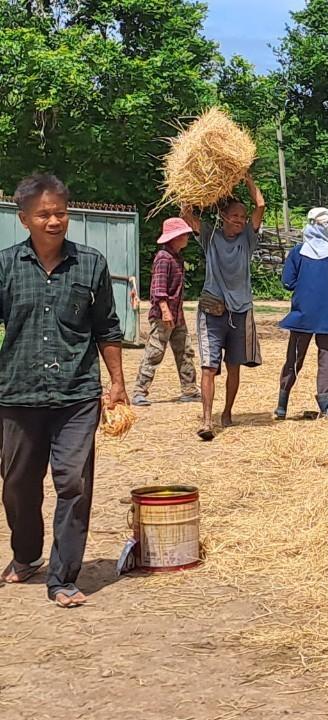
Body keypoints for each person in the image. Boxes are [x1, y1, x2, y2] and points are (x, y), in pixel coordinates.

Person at [0, 174, 127, 608]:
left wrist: (117, 383)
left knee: (73, 482)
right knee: (17, 486)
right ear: (24, 219)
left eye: (60, 212)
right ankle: (25, 554)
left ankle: (63, 578)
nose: (54, 221)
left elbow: (107, 328)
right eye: (44, 214)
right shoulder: (5, 266)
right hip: (17, 395)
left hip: (76, 394)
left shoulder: (91, 264)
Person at [181, 173, 266, 441]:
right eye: (236, 216)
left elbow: (260, 206)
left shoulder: (247, 240)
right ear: (224, 217)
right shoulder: (209, 237)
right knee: (208, 367)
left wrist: (246, 178)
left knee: (234, 366)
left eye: (243, 217)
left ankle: (227, 412)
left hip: (240, 311)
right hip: (213, 310)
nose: (241, 221)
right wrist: (192, 182)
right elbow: (186, 213)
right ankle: (207, 420)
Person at [276, 208, 328, 419]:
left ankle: (282, 404)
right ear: (325, 227)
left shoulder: (298, 253)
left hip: (303, 314)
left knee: (295, 356)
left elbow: (287, 283)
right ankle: (326, 405)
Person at [132, 217, 200, 406]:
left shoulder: (176, 257)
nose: (187, 237)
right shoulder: (164, 258)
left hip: (176, 314)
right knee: (154, 352)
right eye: (184, 234)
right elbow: (158, 290)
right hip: (165, 315)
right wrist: (165, 311)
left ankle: (189, 390)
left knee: (185, 351)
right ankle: (139, 391)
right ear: (175, 237)